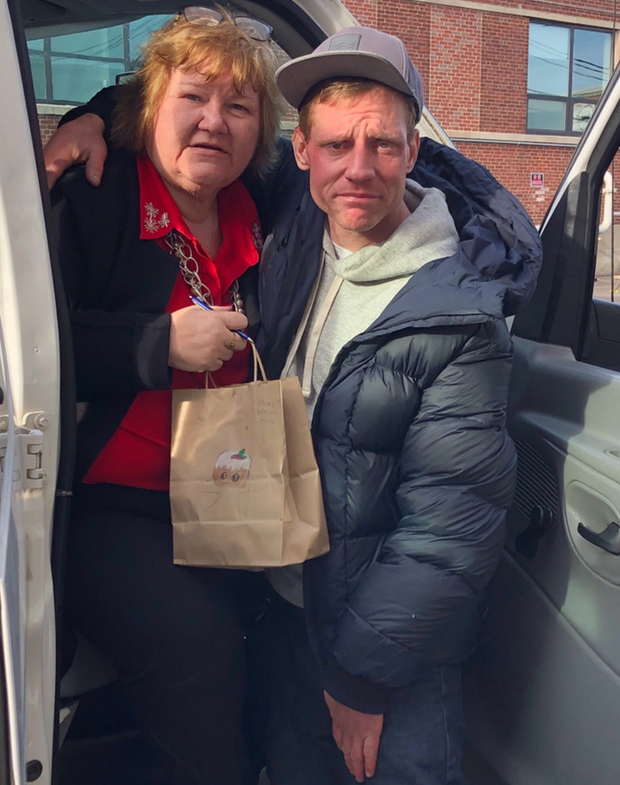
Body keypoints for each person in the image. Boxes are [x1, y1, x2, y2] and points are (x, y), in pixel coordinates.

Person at [45, 24, 542, 785]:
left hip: (338, 601)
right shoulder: (265, 215)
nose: (358, 168)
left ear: (414, 154)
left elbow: (451, 520)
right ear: (304, 151)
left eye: (384, 144)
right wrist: (96, 114)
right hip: (185, 529)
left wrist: (364, 676)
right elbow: (32, 341)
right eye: (336, 145)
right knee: (216, 687)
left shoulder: (297, 220)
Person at [50, 8, 290, 785]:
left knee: (289, 633)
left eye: (239, 107)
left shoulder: (271, 205)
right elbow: (25, 345)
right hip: (108, 504)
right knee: (198, 649)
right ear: (150, 105)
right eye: (193, 98)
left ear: (260, 131)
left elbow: (370, 162)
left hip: (234, 492)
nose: (214, 122)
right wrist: (155, 344)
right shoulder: (96, 191)